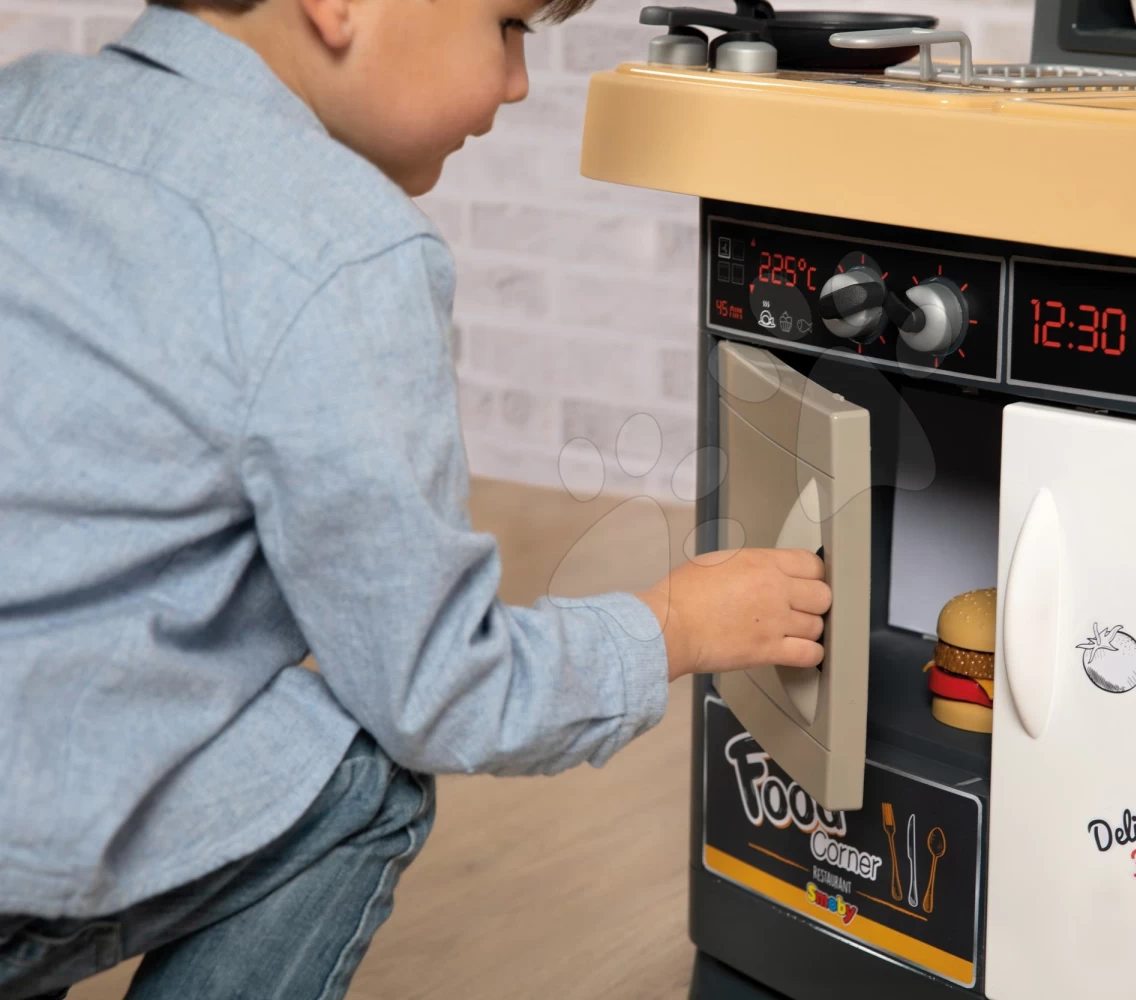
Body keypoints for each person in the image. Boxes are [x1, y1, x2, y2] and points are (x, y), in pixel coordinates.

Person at [0, 0, 832, 996]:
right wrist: (674, 626)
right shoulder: (339, 244)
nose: (518, 82)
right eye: (508, 27)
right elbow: (438, 690)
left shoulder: (24, 108)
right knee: (365, 769)